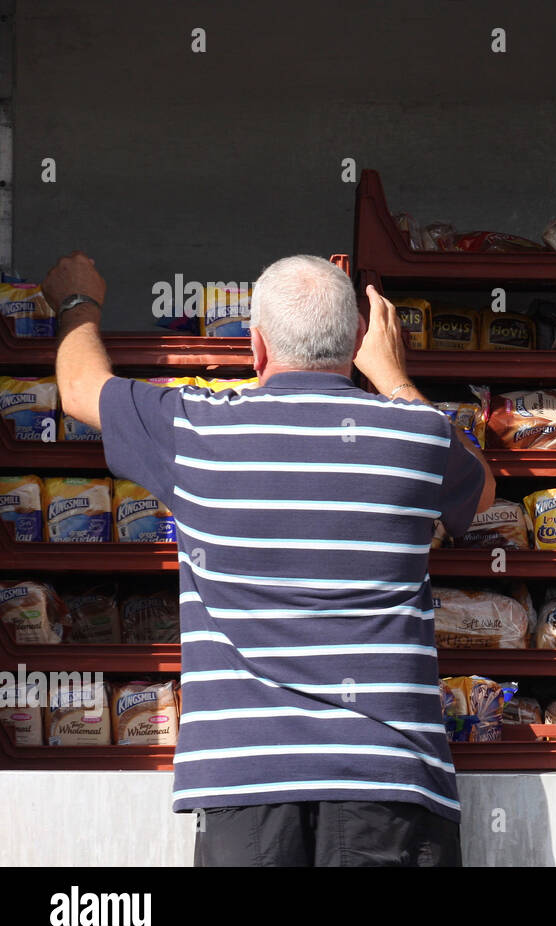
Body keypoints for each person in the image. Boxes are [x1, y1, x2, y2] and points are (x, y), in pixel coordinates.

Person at [42, 251, 494, 866]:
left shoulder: (194, 430)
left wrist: (78, 302)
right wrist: (392, 377)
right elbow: (483, 490)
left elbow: (78, 390)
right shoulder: (417, 435)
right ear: (361, 340)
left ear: (254, 346)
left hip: (245, 786)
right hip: (390, 786)